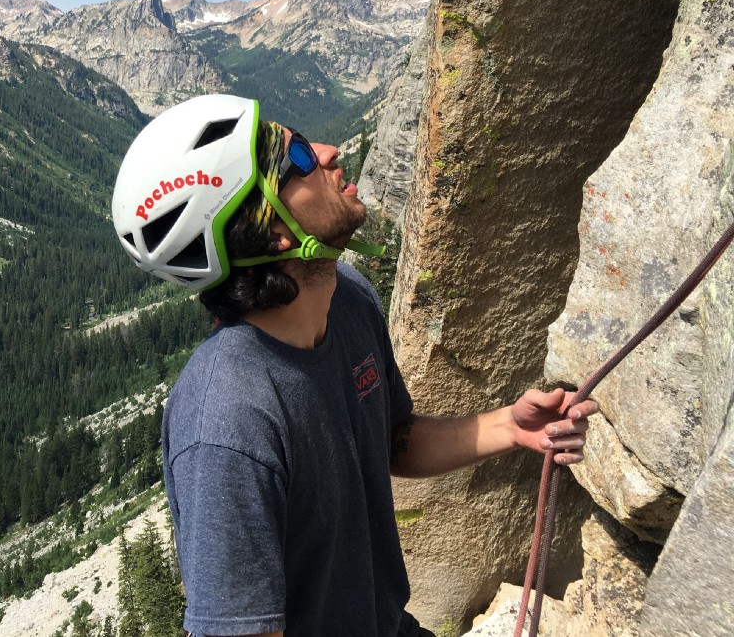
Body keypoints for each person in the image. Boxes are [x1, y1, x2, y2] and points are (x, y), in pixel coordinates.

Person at [110, 94, 598, 637]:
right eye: (296, 157)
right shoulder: (227, 421)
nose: (328, 151)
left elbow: (390, 440)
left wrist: (509, 426)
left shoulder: (348, 300)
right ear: (270, 231)